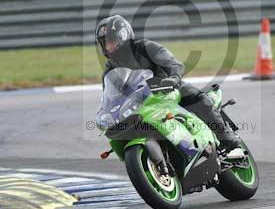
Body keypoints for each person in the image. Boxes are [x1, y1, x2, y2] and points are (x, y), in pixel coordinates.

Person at [96, 15, 241, 152]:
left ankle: (226, 137)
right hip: (143, 103)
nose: (108, 47)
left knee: (198, 99)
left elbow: (174, 64)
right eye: (104, 43)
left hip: (168, 89)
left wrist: (173, 78)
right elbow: (111, 97)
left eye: (110, 41)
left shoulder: (145, 47)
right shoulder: (110, 71)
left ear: (123, 36)